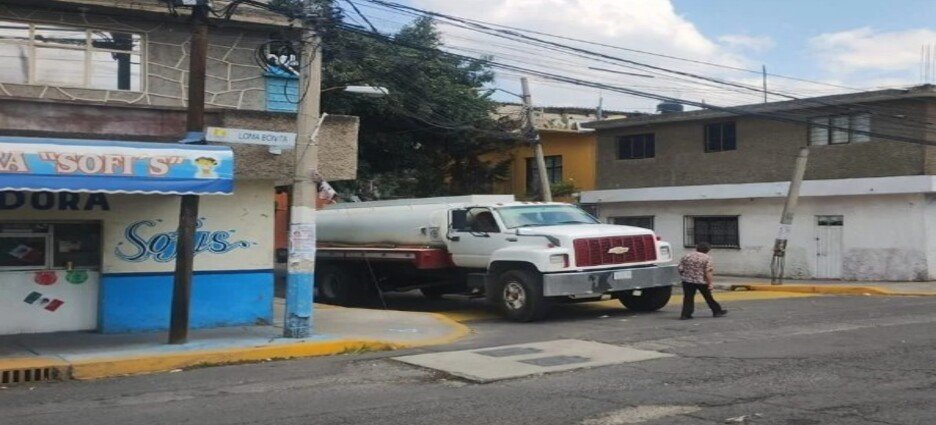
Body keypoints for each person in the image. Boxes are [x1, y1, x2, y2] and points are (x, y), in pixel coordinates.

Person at [678, 242, 727, 320]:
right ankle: (717, 311)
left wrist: (685, 276)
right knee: (708, 296)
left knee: (688, 297)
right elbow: (708, 272)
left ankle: (685, 314)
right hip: (701, 281)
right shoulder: (707, 258)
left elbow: (680, 268)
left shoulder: (687, 256)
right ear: (707, 250)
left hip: (687, 281)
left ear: (697, 248)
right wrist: (710, 283)